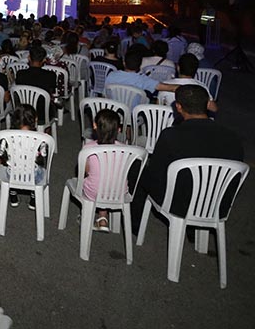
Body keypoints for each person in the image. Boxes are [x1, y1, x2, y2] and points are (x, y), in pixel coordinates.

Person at [130, 85, 244, 235]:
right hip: (216, 204)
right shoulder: (233, 138)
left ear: (178, 107)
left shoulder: (171, 135)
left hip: (178, 204)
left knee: (136, 165)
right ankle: (193, 231)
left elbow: (156, 174)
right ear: (208, 104)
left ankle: (135, 224)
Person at [0, 104, 48, 209]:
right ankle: (34, 197)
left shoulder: (5, 136)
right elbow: (43, 155)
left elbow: (1, 153)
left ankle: (13, 194)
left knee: (9, 168)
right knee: (41, 170)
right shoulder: (41, 138)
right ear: (35, 120)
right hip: (33, 176)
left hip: (11, 175)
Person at [80, 108, 122, 232]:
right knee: (107, 182)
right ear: (119, 129)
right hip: (118, 192)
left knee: (94, 182)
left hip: (94, 192)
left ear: (94, 126)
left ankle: (86, 215)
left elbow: (86, 170)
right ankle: (103, 218)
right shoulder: (125, 149)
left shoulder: (88, 148)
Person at [104, 50, 179, 95]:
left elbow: (105, 94)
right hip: (135, 113)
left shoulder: (112, 75)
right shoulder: (143, 80)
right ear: (140, 65)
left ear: (124, 63)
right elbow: (169, 87)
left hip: (115, 110)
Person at [15, 46, 58, 118]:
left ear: (29, 58)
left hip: (24, 110)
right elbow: (51, 93)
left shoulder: (20, 74)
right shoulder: (51, 75)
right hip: (43, 112)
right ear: (44, 60)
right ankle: (47, 128)